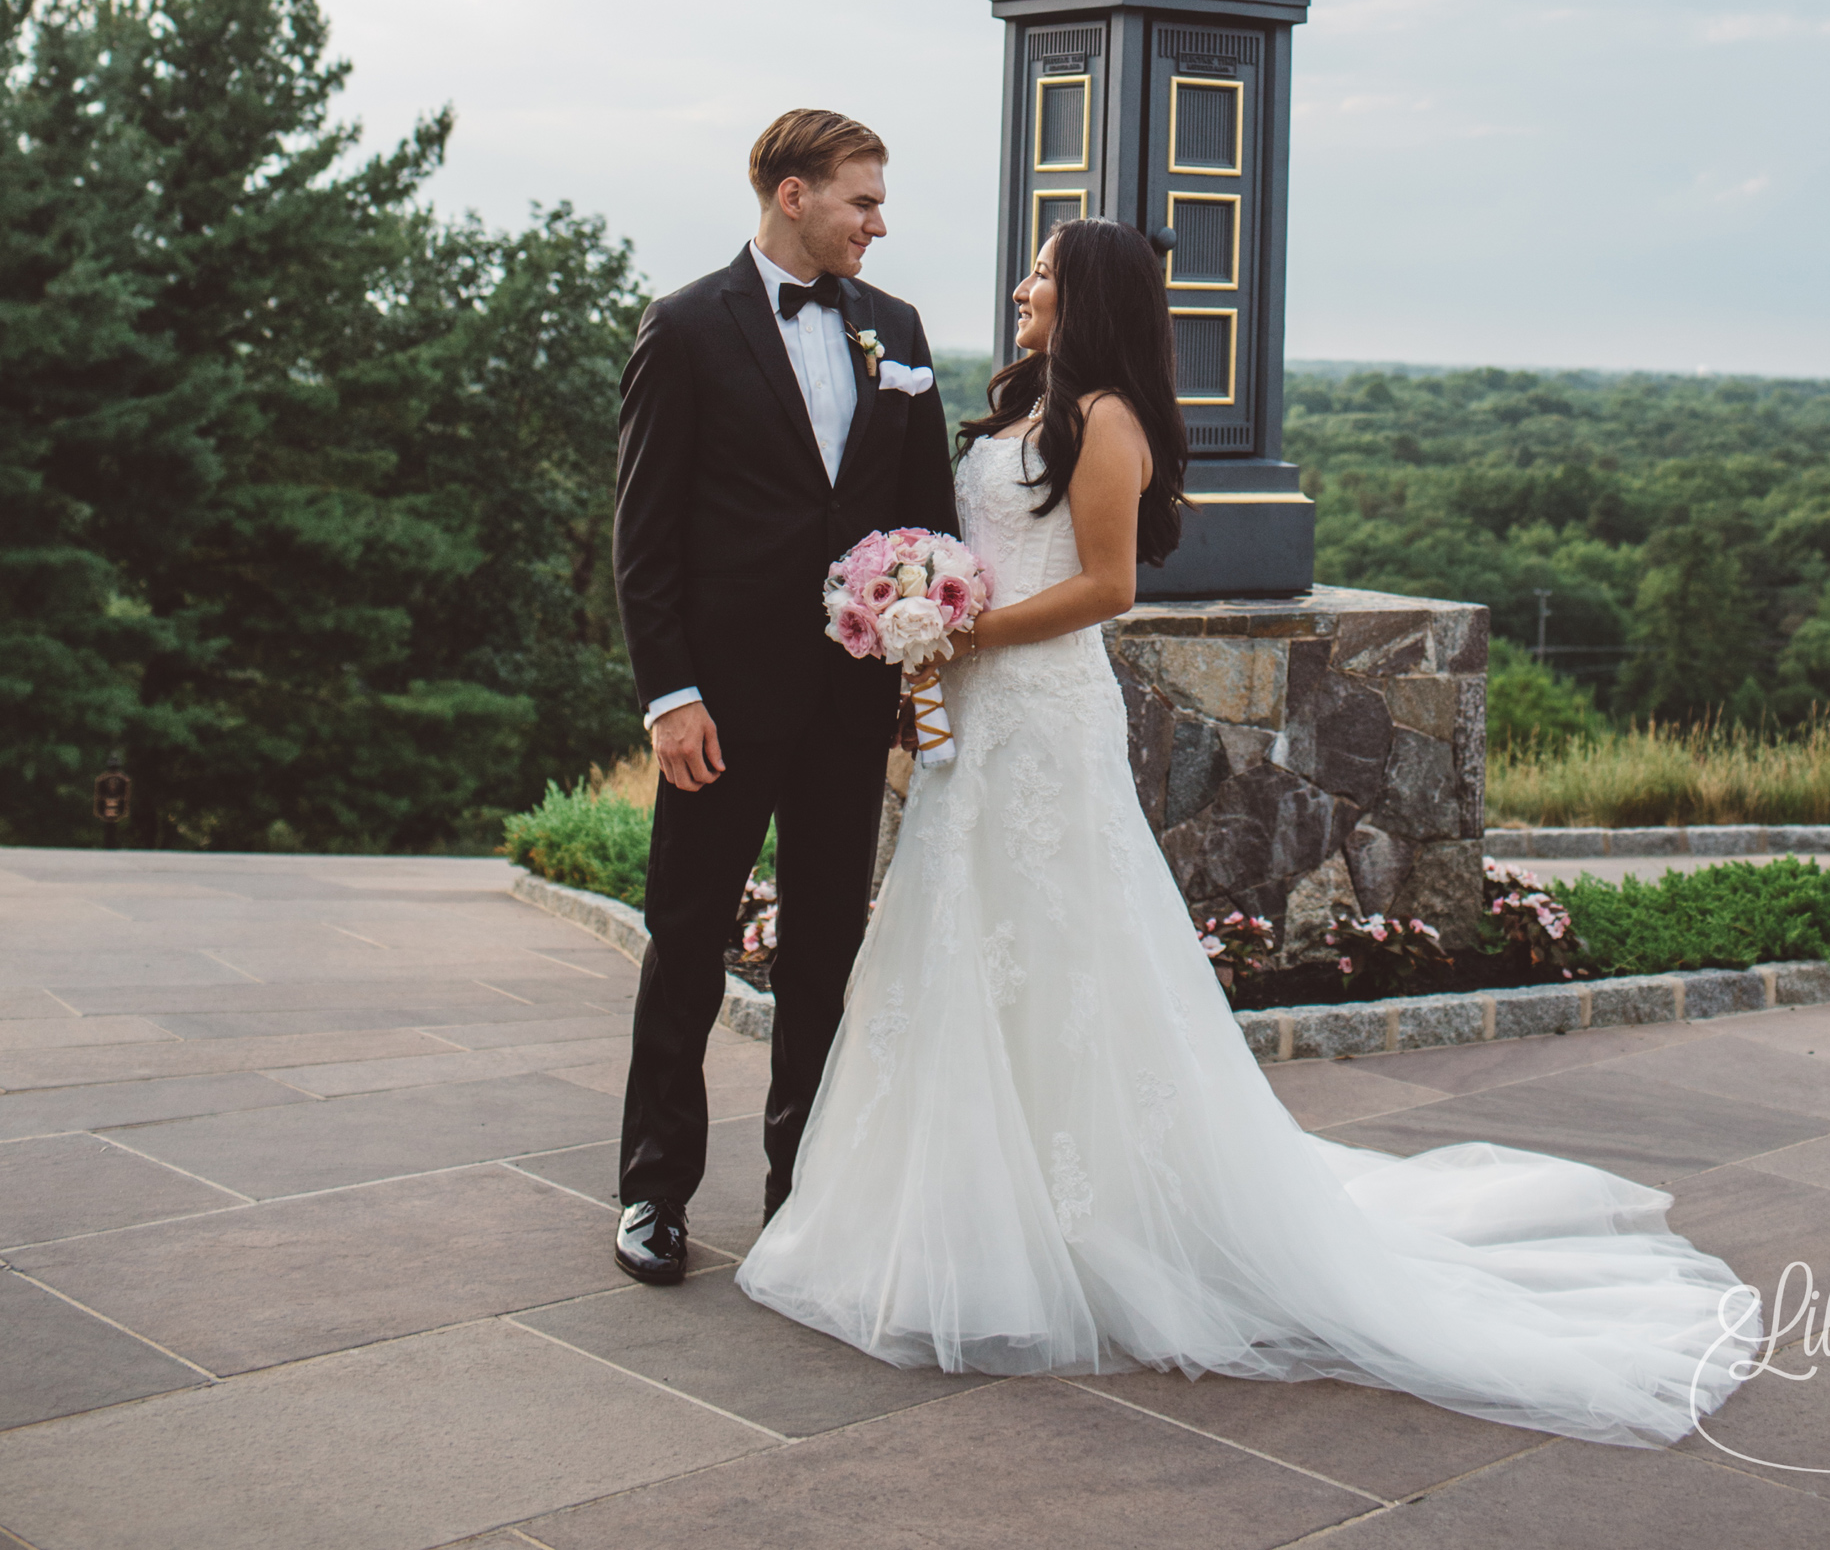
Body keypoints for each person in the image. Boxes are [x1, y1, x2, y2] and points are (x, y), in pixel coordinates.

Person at [736, 216, 1760, 1443]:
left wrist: (959, 633)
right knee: (954, 946)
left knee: (1060, 954)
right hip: (977, 719)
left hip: (1043, 717)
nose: (1024, 286)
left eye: (1045, 275)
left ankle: (1082, 1226)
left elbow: (1109, 590)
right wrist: (918, 624)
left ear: (1091, 298)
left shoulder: (1104, 418)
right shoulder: (1017, 408)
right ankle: (951, 1212)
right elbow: (976, 555)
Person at [609, 107, 957, 1285]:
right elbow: (643, 539)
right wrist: (671, 697)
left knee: (824, 951)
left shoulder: (896, 331)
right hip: (721, 704)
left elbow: (927, 526)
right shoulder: (686, 326)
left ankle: (800, 1198)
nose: (878, 222)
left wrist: (922, 669)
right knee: (687, 941)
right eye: (862, 199)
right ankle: (654, 1191)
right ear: (792, 194)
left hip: (849, 703)